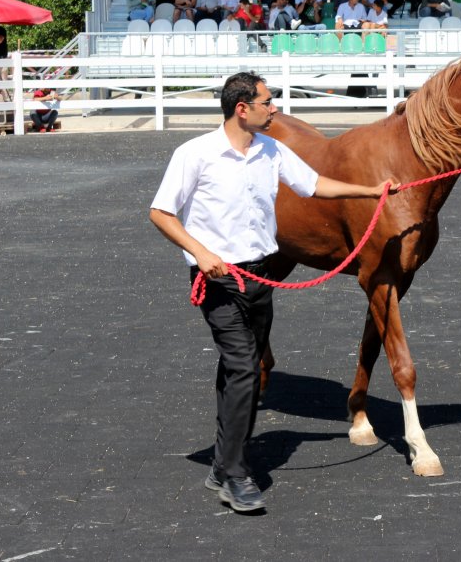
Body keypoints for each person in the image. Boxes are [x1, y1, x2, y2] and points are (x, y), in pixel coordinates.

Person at [149, 71, 398, 513]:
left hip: (260, 277)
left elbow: (315, 185)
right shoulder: (195, 154)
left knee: (236, 369)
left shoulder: (271, 149)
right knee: (246, 367)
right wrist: (200, 252)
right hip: (218, 279)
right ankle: (233, 474)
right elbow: (162, 213)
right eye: (268, 102)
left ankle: (221, 463)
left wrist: (370, 191)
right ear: (242, 108)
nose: (276, 108)